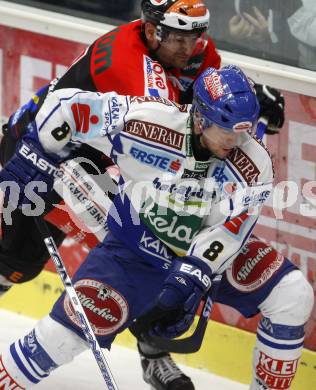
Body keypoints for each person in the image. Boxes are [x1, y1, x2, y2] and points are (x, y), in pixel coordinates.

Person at [0, 1, 287, 389]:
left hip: (100, 162)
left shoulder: (195, 51)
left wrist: (248, 98)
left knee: (150, 244)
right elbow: (172, 127)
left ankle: (153, 353)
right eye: (180, 37)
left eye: (196, 34)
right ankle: (149, 344)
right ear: (153, 31)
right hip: (42, 153)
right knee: (15, 263)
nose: (191, 47)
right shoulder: (128, 58)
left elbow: (206, 106)